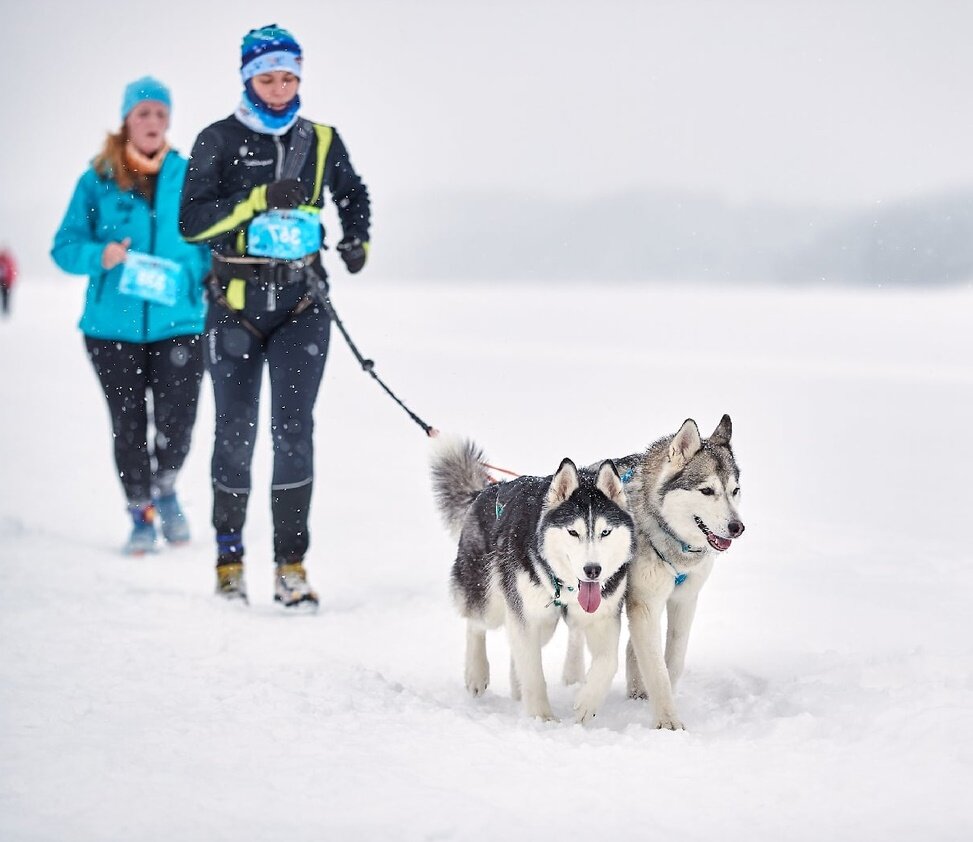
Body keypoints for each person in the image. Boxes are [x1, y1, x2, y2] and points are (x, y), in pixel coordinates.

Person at [179, 24, 371, 609]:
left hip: (302, 308)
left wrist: (356, 238)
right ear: (247, 77)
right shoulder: (216, 139)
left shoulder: (322, 139)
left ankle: (292, 565)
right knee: (236, 436)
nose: (281, 87)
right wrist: (256, 202)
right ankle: (229, 561)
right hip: (234, 310)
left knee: (294, 434)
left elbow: (353, 192)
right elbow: (192, 222)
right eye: (268, 76)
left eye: (290, 76)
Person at [52, 77, 210, 555]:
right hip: (111, 328)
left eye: (161, 114)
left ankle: (166, 486)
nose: (153, 122)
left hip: (179, 322)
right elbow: (64, 247)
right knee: (127, 423)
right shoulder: (97, 177)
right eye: (144, 113)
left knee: (178, 421)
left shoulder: (188, 175)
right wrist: (99, 255)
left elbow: (210, 241)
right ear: (127, 119)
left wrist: (195, 272)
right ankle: (140, 512)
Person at [0, 246, 16, 316]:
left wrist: (9, 281)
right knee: (5, 296)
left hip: (7, 282)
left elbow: (11, 272)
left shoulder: (9, 261)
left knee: (6, 297)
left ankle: (6, 310)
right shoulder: (2, 261)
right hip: (2, 281)